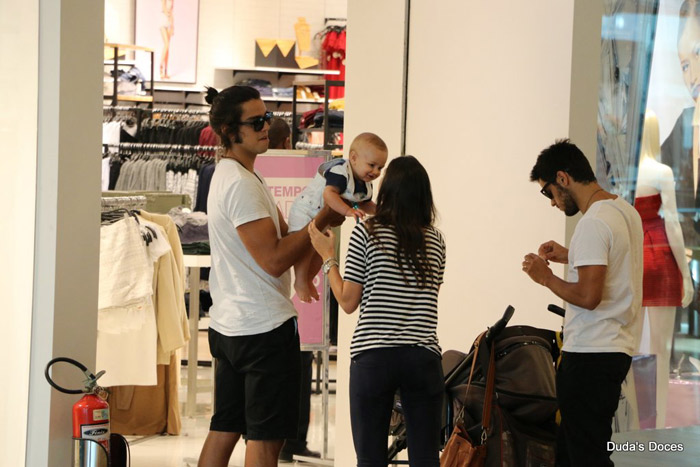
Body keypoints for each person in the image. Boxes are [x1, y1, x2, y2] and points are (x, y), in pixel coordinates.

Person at [198, 85, 344, 467]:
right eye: (258, 121)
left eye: (268, 118)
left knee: (225, 426)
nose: (268, 126)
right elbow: (274, 259)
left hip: (233, 322)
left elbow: (285, 241)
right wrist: (325, 216)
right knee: (264, 440)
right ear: (232, 131)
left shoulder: (234, 175)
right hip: (261, 328)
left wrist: (315, 227)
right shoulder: (242, 184)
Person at [308, 155, 446, 466]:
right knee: (426, 458)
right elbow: (429, 298)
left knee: (370, 459)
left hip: (374, 357)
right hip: (423, 358)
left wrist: (327, 258)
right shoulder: (436, 240)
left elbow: (347, 301)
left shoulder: (367, 232)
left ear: (386, 193)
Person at [522, 139, 644, 466]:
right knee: (575, 450)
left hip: (591, 352)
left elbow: (590, 297)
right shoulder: (624, 211)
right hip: (614, 348)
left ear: (562, 178)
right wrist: (569, 255)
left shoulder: (592, 223)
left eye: (548, 192)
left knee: (585, 454)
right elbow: (614, 266)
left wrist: (545, 277)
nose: (551, 203)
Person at [266, 115, 321, 461]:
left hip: (259, 304)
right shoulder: (309, 175)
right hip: (291, 300)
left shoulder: (250, 179)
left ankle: (275, 441)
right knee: (298, 366)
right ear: (288, 142)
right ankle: (294, 441)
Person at [635, 110, 694, 428]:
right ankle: (655, 425)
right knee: (660, 349)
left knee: (629, 348)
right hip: (659, 260)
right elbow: (671, 223)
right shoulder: (661, 172)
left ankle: (629, 418)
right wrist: (685, 274)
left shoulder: (626, 174)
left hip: (634, 260)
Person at [288, 132, 388, 303]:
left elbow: (364, 203)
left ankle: (308, 279)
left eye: (380, 167)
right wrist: (348, 211)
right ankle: (300, 280)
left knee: (321, 252)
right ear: (353, 158)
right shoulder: (340, 172)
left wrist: (382, 211)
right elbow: (329, 195)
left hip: (322, 219)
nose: (375, 172)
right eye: (372, 165)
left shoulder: (364, 182)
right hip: (305, 212)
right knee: (306, 250)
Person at [159, 0, 174, 79]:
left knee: (168, 49)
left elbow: (171, 11)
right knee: (166, 44)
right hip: (163, 20)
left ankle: (166, 71)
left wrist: (172, 26)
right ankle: (160, 66)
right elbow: (164, 8)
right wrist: (167, 14)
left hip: (169, 22)